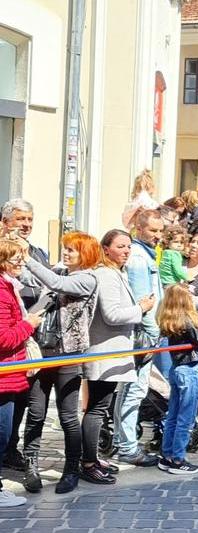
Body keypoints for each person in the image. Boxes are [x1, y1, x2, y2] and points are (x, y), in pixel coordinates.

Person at [21, 231, 101, 494]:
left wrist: (27, 257)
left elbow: (54, 283)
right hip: (43, 353)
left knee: (68, 417)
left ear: (85, 254)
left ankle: (71, 470)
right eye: (64, 248)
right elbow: (39, 289)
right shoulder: (60, 271)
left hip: (69, 355)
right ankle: (30, 468)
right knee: (36, 414)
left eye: (71, 250)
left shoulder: (88, 279)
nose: (65, 253)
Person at [81, 230, 156, 484]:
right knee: (96, 409)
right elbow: (112, 314)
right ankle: (88, 462)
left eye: (128, 247)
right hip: (104, 353)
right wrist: (141, 309)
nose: (126, 251)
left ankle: (92, 458)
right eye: (120, 246)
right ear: (106, 249)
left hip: (113, 352)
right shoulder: (106, 275)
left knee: (100, 408)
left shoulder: (117, 273)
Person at [0, 198, 49, 473]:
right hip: (12, 333)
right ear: (6, 222)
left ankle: (10, 448)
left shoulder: (37, 252)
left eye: (29, 220)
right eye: (21, 219)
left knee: (20, 400)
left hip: (29, 338)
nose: (26, 225)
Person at [114, 209, 164, 467]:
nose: (158, 236)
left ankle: (122, 442)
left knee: (133, 390)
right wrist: (153, 334)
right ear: (139, 228)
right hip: (144, 334)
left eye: (160, 230)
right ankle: (126, 446)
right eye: (153, 230)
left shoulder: (145, 254)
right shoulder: (137, 258)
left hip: (147, 332)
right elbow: (143, 302)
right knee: (133, 391)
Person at [156, 285, 198, 474]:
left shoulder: (170, 319)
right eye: (190, 296)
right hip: (189, 370)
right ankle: (177, 459)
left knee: (173, 416)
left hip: (177, 370)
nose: (193, 299)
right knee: (186, 418)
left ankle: (167, 455)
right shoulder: (185, 320)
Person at [0, 239, 42, 507]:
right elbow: (3, 338)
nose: (20, 265)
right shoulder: (3, 292)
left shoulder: (9, 287)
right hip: (4, 376)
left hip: (10, 375)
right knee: (1, 434)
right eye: (16, 260)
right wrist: (28, 324)